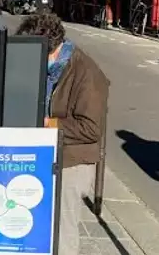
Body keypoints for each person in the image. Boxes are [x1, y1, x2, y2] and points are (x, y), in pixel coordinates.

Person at [16, 13, 109, 255]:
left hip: (72, 161)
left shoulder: (86, 72)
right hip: (46, 156)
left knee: (63, 231)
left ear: (48, 49)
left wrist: (50, 123)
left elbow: (90, 128)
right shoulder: (49, 69)